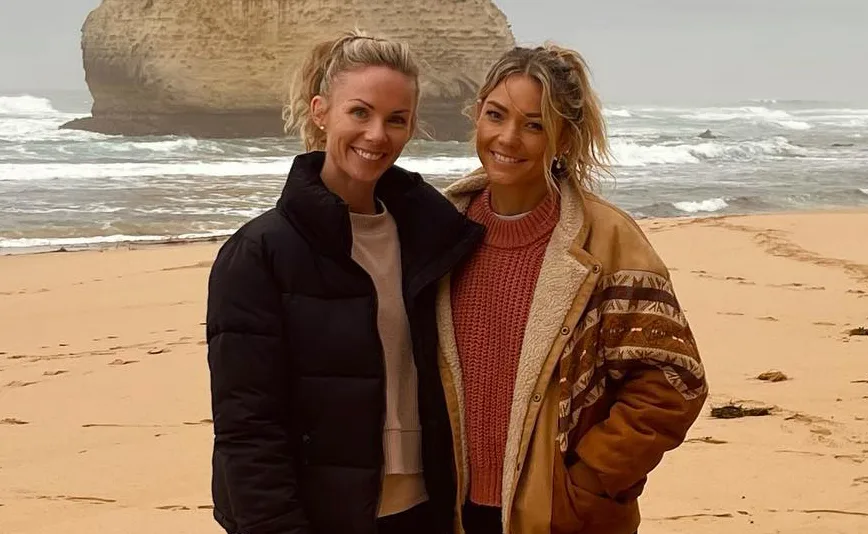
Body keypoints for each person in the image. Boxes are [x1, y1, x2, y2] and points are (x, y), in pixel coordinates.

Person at [206, 30, 483, 534]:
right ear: (320, 111)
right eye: (360, 112)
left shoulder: (436, 237)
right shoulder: (259, 253)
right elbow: (247, 429)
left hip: (426, 511)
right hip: (321, 518)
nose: (377, 135)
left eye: (396, 119)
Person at [435, 44, 709, 534]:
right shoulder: (437, 229)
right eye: (495, 115)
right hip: (445, 506)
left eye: (535, 125)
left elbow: (673, 380)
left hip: (556, 515)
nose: (508, 138)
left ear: (564, 139)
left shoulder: (609, 244)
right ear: (476, 115)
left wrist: (590, 481)